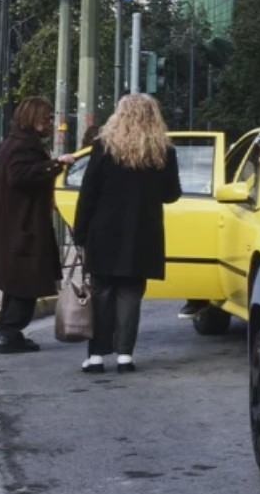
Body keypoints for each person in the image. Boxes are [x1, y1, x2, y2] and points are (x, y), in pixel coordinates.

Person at [71, 94, 181, 373]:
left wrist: (80, 233)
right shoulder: (163, 151)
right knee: (131, 294)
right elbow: (171, 195)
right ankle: (125, 355)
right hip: (142, 232)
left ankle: (96, 355)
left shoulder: (103, 147)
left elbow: (88, 194)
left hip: (104, 230)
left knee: (101, 293)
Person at [0, 97, 67, 354]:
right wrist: (55, 164)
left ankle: (7, 331)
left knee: (17, 281)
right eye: (46, 117)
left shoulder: (16, 142)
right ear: (33, 117)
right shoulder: (23, 146)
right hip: (22, 224)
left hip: (16, 223)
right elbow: (20, 177)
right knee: (25, 281)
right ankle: (9, 333)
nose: (49, 122)